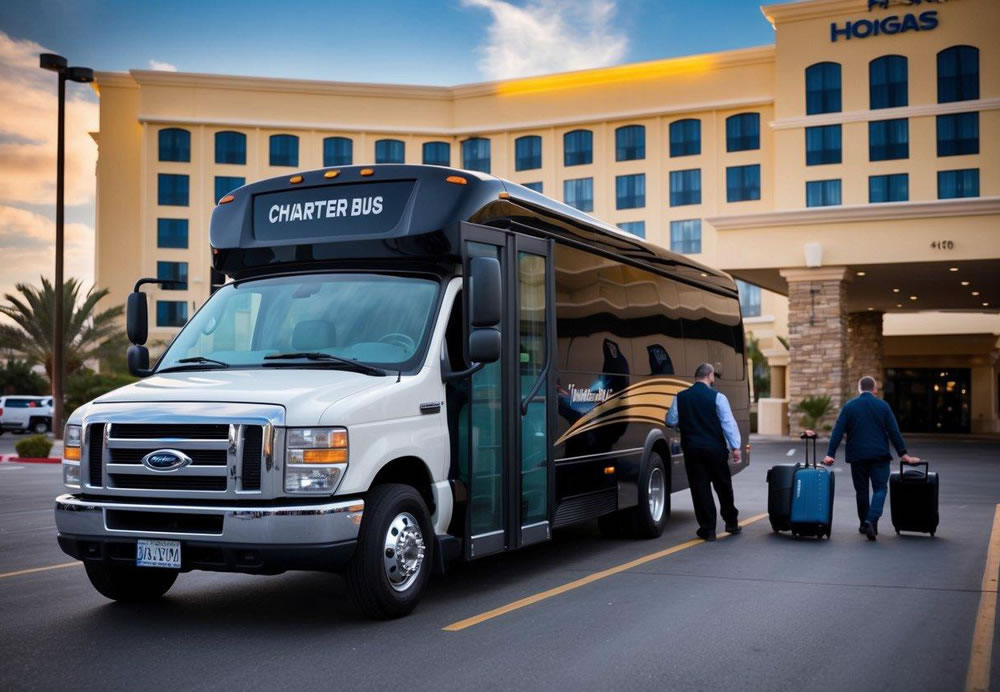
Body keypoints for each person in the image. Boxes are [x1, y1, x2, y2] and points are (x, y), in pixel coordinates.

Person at [823, 375, 920, 541]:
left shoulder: (849, 406)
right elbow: (894, 431)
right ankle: (871, 520)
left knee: (861, 491)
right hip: (879, 455)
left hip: (857, 457)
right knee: (880, 489)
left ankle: (863, 524)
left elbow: (838, 431)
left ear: (859, 389)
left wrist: (830, 454)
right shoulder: (883, 406)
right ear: (874, 389)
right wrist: (903, 454)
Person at [666, 363, 742, 541]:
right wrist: (735, 448)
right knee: (723, 486)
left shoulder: (680, 397)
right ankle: (731, 522)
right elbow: (728, 424)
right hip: (715, 450)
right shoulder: (718, 397)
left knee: (700, 489)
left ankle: (708, 530)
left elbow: (670, 420)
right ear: (710, 375)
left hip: (692, 450)